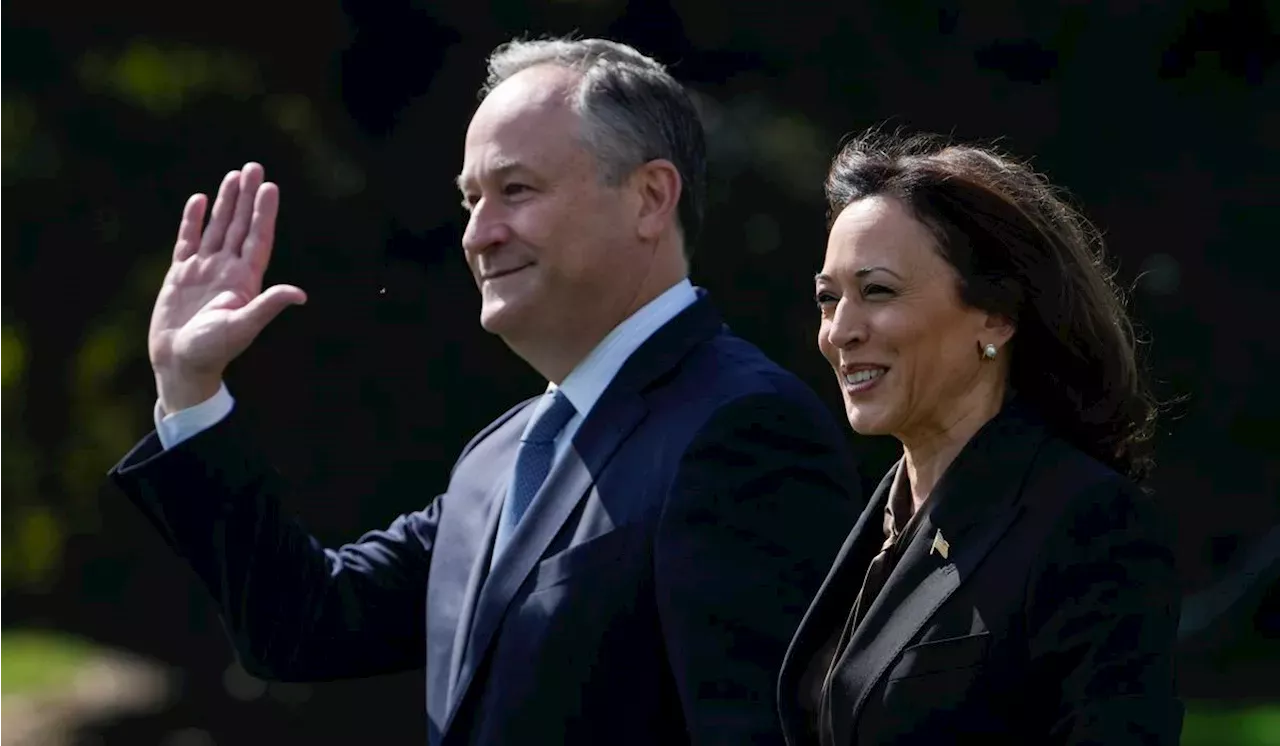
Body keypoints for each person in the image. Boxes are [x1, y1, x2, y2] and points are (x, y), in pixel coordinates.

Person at [107, 38, 861, 745]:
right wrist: (190, 386)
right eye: (471, 200)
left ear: (649, 198)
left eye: (516, 190)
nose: (478, 232)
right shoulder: (499, 455)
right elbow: (302, 625)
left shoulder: (744, 428)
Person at [775, 130, 1183, 745]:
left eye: (878, 291)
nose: (841, 331)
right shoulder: (878, 524)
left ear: (996, 315)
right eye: (829, 299)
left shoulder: (1086, 522)